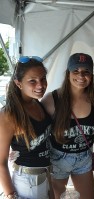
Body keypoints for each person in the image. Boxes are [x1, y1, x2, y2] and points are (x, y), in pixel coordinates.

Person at [41, 53, 94, 199]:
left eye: (86, 72)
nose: (81, 76)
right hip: (57, 159)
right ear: (68, 73)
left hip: (84, 159)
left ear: (91, 75)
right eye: (76, 71)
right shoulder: (52, 99)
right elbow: (36, 128)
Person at [0, 56, 53, 199]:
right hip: (27, 183)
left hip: (46, 177)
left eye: (43, 79)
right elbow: (1, 162)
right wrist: (11, 194)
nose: (40, 85)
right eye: (32, 81)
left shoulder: (38, 103)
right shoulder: (8, 115)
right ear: (18, 83)